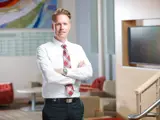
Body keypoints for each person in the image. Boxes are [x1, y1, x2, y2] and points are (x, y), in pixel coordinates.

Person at [36, 8, 93, 120]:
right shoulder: (43, 49)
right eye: (58, 24)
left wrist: (65, 71)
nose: (62, 27)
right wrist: (76, 77)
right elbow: (50, 77)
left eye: (65, 24)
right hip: (54, 106)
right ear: (53, 26)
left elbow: (88, 72)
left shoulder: (78, 49)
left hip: (76, 105)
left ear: (69, 26)